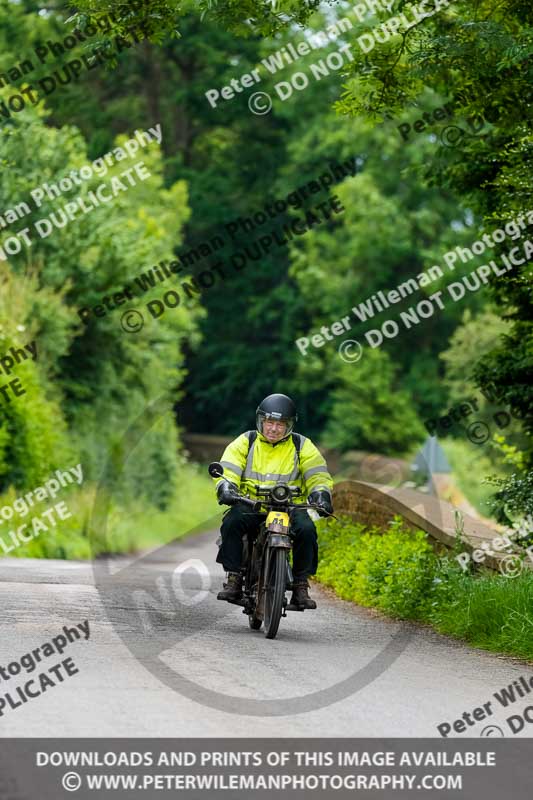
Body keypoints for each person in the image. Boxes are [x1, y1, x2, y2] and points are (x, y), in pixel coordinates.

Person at [213, 393, 333, 609]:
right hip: (252, 504)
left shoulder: (301, 445)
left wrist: (321, 494)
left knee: (306, 530)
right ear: (261, 421)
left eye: (280, 424)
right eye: (270, 422)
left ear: (289, 426)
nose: (274, 428)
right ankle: (234, 577)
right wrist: (226, 487)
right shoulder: (246, 441)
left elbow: (318, 475)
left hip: (290, 506)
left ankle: (300, 586)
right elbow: (229, 468)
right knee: (231, 523)